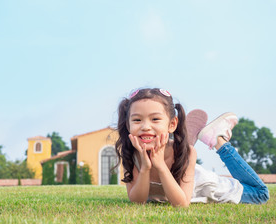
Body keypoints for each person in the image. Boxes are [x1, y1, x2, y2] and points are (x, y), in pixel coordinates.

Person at [114, 88, 269, 207]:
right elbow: (137, 201)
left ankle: (218, 141)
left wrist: (161, 166)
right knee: (182, 151)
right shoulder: (131, 152)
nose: (145, 126)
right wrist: (145, 168)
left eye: (155, 119)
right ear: (128, 125)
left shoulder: (189, 153)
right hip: (179, 167)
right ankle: (184, 141)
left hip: (201, 185)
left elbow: (181, 204)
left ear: (172, 124)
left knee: (261, 193)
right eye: (137, 120)